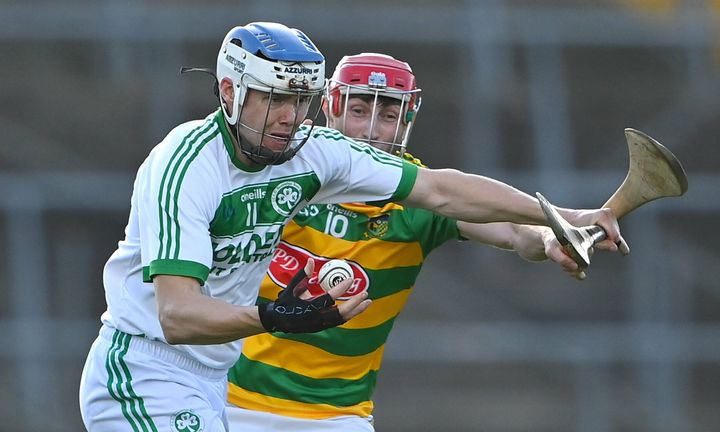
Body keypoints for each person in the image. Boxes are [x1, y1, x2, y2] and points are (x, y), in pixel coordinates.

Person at [78, 22, 623, 432]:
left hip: (267, 396)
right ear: (229, 93)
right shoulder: (187, 167)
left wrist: (566, 219)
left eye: (298, 100)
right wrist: (280, 314)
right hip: (153, 370)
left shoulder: (315, 154)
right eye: (273, 99)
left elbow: (444, 189)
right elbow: (177, 315)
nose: (288, 117)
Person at [224, 53, 624, 431]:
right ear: (331, 105)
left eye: (389, 115)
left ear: (407, 121)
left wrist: (549, 238)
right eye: (360, 110)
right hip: (230, 400)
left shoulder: (421, 198)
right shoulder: (282, 171)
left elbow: (515, 232)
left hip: (337, 415)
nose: (371, 131)